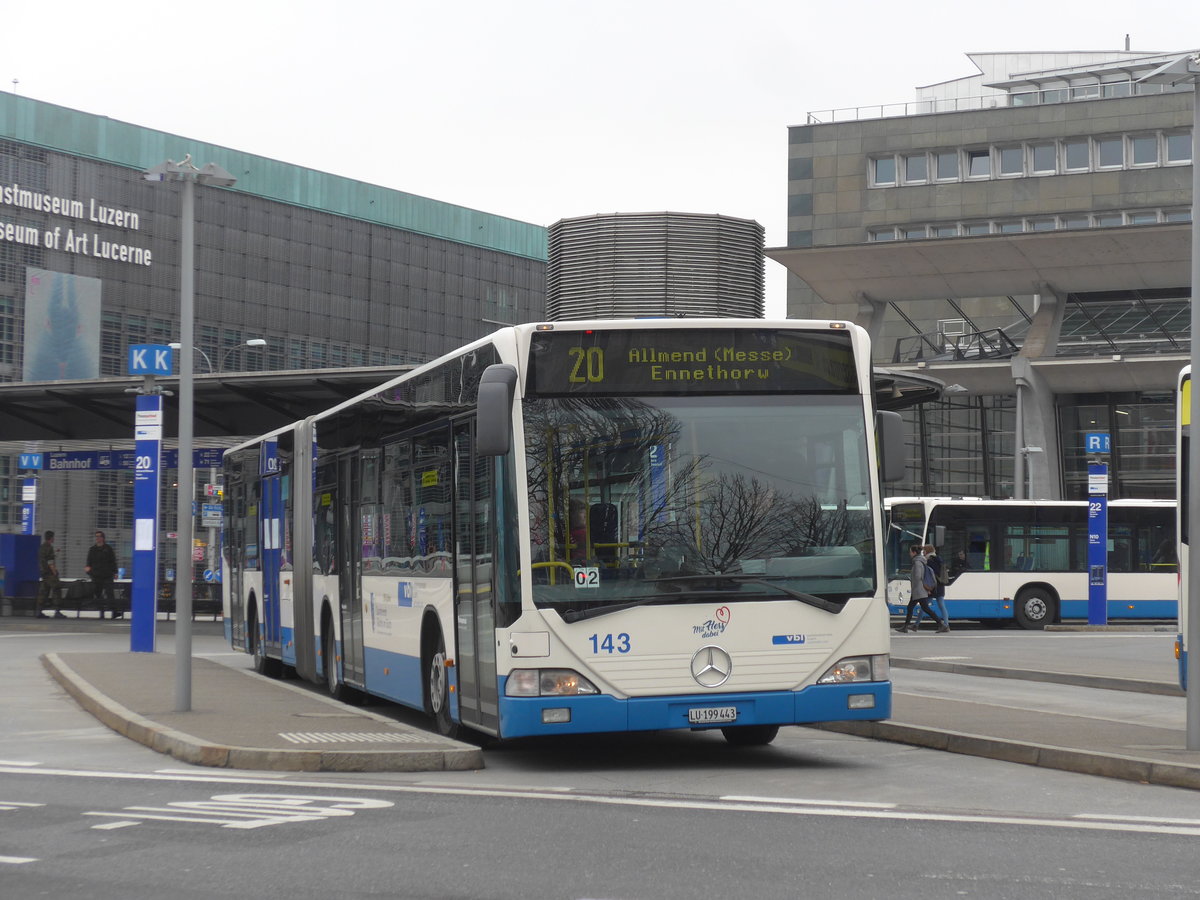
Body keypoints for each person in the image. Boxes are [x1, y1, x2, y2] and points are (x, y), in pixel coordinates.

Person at [897, 544, 939, 634]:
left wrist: (914, 587)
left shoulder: (917, 562)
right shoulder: (921, 561)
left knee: (924, 608)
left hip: (918, 590)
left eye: (910, 552)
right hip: (919, 590)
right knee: (913, 608)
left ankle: (942, 625)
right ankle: (905, 627)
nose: (909, 554)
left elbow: (917, 576)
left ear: (914, 552)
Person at [85, 530, 120, 619]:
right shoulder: (92, 549)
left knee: (110, 593)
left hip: (107, 574)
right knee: (98, 594)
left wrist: (115, 572)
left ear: (103, 538)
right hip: (96, 575)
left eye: (99, 536)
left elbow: (113, 561)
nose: (97, 538)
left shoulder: (108, 549)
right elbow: (89, 562)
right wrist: (89, 571)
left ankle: (113, 611)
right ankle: (101, 612)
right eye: (96, 536)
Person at [917, 544, 951, 633]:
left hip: (932, 586)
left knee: (924, 606)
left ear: (927, 551)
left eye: (924, 551)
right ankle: (946, 625)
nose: (923, 552)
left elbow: (930, 574)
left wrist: (927, 587)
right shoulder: (939, 558)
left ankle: (916, 624)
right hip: (940, 586)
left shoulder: (930, 560)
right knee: (941, 606)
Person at [35, 530, 66, 619]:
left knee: (44, 592)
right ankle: (57, 611)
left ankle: (39, 611)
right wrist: (54, 571)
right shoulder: (49, 547)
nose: (54, 539)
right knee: (57, 589)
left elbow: (44, 559)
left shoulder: (41, 547)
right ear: (51, 538)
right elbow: (50, 561)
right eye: (53, 537)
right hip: (50, 573)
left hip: (43, 573)